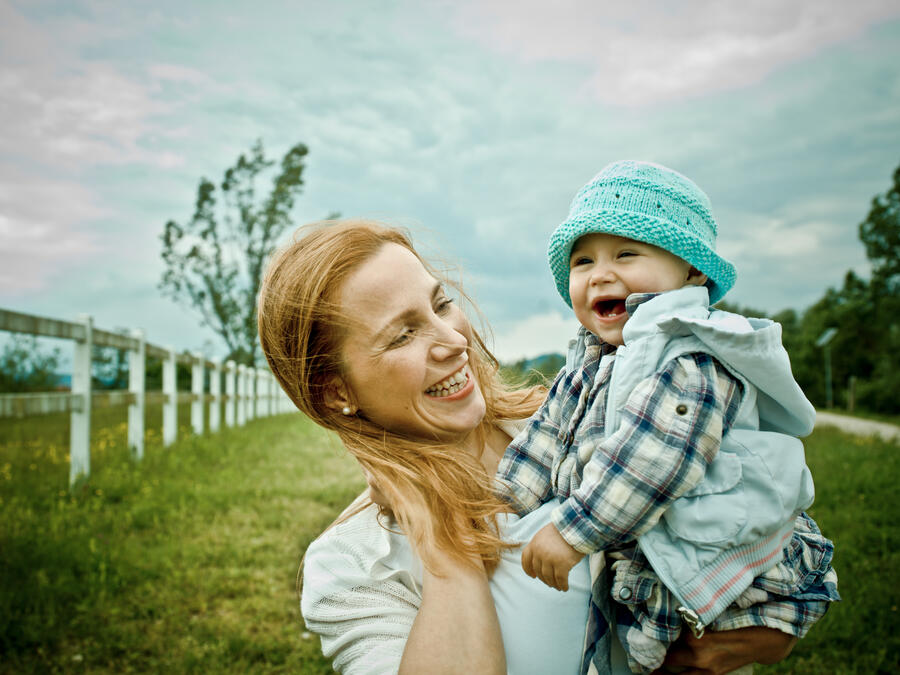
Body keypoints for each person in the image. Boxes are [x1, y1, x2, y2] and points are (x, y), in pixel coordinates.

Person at [257, 219, 836, 674]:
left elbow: (762, 508)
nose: (453, 339)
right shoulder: (352, 565)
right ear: (335, 391)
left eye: (440, 304)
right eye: (404, 334)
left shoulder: (584, 423)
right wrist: (446, 553)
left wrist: (770, 629)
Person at [495, 160, 839, 673]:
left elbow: (653, 460)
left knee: (695, 661)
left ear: (692, 270)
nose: (601, 274)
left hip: (713, 569)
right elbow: (543, 442)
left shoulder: (692, 356)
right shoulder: (588, 363)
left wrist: (572, 532)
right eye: (582, 262)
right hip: (644, 566)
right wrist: (498, 508)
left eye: (626, 253)